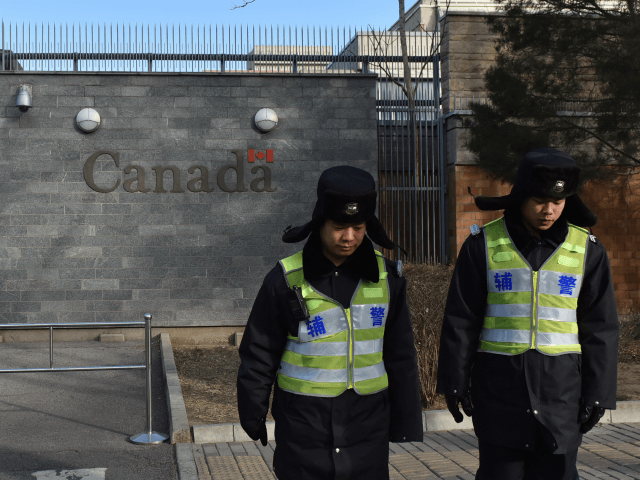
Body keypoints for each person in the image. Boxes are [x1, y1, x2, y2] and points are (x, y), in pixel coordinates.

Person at [437, 148, 618, 480]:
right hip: (500, 394)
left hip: (562, 398)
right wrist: (454, 381)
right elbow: (461, 319)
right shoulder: (483, 246)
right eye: (539, 200)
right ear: (520, 195)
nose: (548, 210)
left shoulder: (588, 252)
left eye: (558, 202)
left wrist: (599, 392)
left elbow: (601, 328)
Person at [237, 165, 423, 480]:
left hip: (366, 429)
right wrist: (253, 414)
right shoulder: (285, 278)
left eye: (359, 227)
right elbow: (260, 350)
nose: (349, 237)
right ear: (321, 219)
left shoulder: (387, 278)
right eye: (339, 226)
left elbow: (401, 353)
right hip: (304, 430)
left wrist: (406, 421)